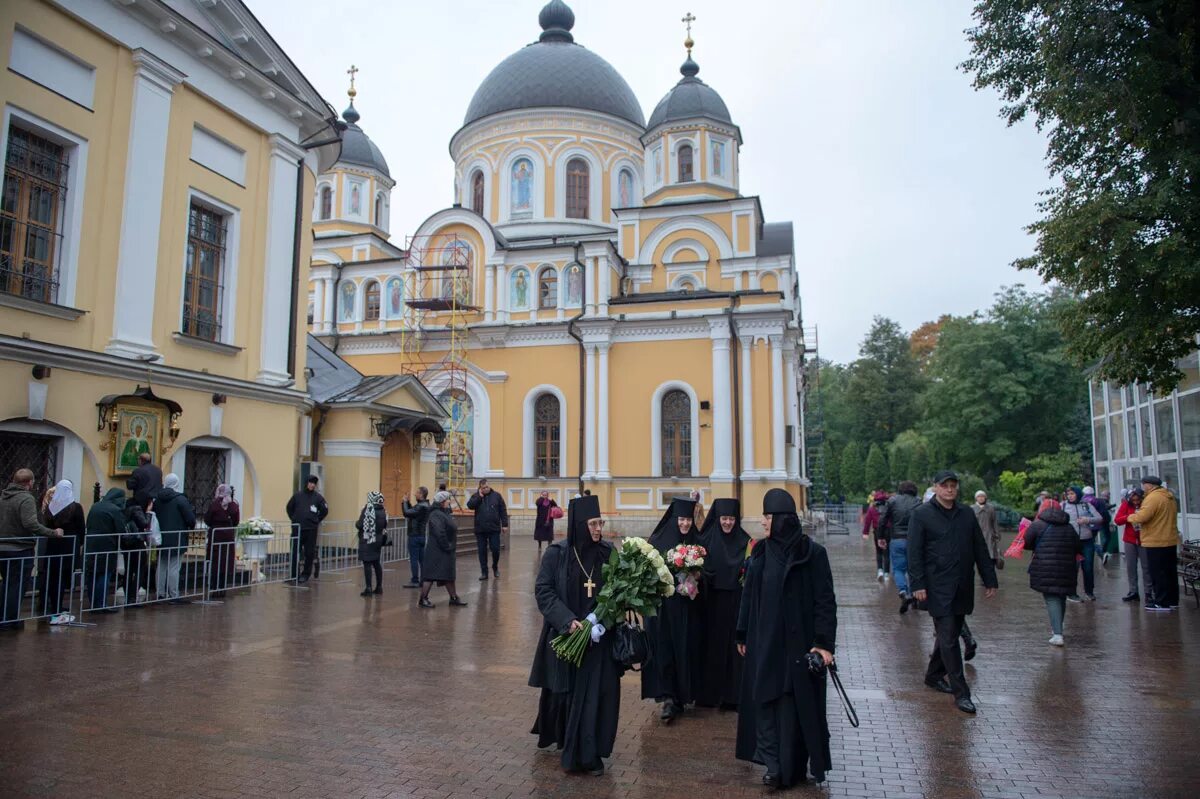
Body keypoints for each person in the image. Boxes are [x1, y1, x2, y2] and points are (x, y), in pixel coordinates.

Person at [735, 488, 837, 789]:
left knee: (793, 708)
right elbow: (748, 597)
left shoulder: (813, 554)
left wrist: (824, 643)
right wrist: (742, 632)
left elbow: (825, 602)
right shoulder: (761, 553)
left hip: (798, 646)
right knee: (765, 703)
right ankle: (773, 767)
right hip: (764, 644)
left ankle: (791, 767)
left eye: (767, 517)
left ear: (781, 520)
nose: (763, 523)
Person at [529, 494, 622, 775]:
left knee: (597, 697)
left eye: (600, 523)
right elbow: (543, 590)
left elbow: (617, 592)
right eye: (593, 523)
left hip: (598, 639)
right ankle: (573, 747)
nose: (598, 529)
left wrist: (600, 621)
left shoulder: (608, 553)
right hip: (567, 638)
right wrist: (568, 621)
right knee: (568, 695)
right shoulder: (557, 555)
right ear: (580, 525)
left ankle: (590, 753)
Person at [908, 470, 998, 714]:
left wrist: (989, 578)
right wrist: (917, 584)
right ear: (936, 487)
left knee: (952, 632)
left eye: (953, 486)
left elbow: (979, 547)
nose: (949, 489)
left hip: (962, 584)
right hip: (937, 586)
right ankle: (962, 692)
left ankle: (933, 675)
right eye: (945, 485)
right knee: (948, 638)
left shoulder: (966, 513)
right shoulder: (922, 515)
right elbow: (914, 552)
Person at [641, 496, 702, 723]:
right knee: (666, 650)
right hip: (664, 611)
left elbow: (707, 570)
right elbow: (647, 572)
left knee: (685, 650)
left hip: (688, 610)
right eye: (681, 520)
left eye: (688, 520)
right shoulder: (658, 540)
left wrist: (696, 576)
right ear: (674, 519)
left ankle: (684, 695)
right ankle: (668, 698)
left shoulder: (696, 541)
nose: (685, 524)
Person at [695, 498, 750, 709]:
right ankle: (709, 695)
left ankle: (732, 696)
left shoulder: (745, 542)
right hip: (711, 604)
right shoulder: (706, 540)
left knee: (733, 650)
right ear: (717, 519)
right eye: (724, 519)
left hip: (735, 604)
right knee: (711, 647)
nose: (728, 523)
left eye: (731, 519)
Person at [0, 469, 64, 628]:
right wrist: (52, 532)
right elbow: (30, 523)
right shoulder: (26, 498)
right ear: (29, 483)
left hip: (2, 547)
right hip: (19, 548)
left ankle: (3, 616)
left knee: (6, 584)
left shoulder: (3, 496)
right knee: (17, 585)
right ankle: (9, 619)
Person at [1023, 499, 1081, 646]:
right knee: (1061, 596)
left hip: (1045, 567)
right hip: (1067, 568)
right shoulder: (1068, 527)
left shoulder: (1037, 525)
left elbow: (1027, 543)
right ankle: (1058, 627)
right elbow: (1077, 546)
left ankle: (1057, 634)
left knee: (1051, 598)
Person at [1129, 475, 1181, 611]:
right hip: (1169, 538)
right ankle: (1172, 601)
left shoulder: (1153, 498)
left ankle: (1161, 602)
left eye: (1143, 485)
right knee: (1170, 572)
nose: (1143, 488)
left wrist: (1131, 516)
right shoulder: (1169, 496)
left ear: (1149, 485)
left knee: (1158, 573)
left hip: (1156, 540)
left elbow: (1143, 516)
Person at [40, 479, 84, 623]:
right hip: (69, 546)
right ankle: (57, 605)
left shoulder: (50, 508)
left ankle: (53, 604)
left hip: (53, 545)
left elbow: (46, 525)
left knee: (52, 576)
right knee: (63, 576)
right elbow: (81, 528)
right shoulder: (76, 507)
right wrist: (81, 543)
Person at [418, 491, 466, 608]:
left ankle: (453, 598)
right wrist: (447, 546)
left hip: (444, 550)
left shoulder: (443, 512)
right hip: (437, 550)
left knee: (448, 574)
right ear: (441, 502)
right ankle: (423, 599)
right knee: (430, 575)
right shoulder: (435, 514)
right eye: (447, 500)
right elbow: (440, 532)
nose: (449, 501)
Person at [881, 481, 922, 613]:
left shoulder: (892, 501)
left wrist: (880, 536)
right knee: (913, 569)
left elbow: (883, 519)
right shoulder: (918, 501)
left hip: (897, 539)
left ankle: (903, 592)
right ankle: (913, 594)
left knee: (898, 569)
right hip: (914, 540)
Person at [155, 474, 196, 603]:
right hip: (177, 538)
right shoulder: (180, 499)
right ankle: (173, 594)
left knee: (161, 565)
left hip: (161, 537)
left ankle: (160, 593)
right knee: (174, 566)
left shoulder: (157, 499)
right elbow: (190, 519)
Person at [84, 487, 126, 614]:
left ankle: (93, 604)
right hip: (108, 546)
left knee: (92, 574)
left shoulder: (96, 506)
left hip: (91, 544)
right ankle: (101, 604)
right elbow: (121, 530)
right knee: (104, 574)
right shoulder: (115, 510)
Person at [286, 475, 328, 584]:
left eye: (314, 483)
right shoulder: (297, 496)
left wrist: (316, 520)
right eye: (310, 482)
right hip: (298, 529)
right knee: (295, 551)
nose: (312, 485)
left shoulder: (318, 498)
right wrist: (294, 519)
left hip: (311, 530)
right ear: (306, 483)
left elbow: (324, 510)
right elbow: (289, 508)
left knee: (309, 553)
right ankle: (293, 575)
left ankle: (305, 574)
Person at [1062, 486, 1100, 602]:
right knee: (1073, 568)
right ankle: (1071, 593)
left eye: (1072, 494)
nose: (1070, 496)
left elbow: (1099, 518)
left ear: (1078, 494)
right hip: (1070, 541)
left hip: (1086, 540)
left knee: (1088, 567)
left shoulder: (1086, 505)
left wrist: (1087, 520)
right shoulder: (1063, 506)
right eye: (1068, 494)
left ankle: (1089, 591)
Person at [467, 478, 508, 580]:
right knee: (482, 551)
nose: (486, 489)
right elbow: (470, 506)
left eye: (487, 487)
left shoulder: (497, 496)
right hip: (480, 529)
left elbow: (503, 510)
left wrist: (505, 524)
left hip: (494, 529)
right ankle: (484, 572)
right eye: (483, 488)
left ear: (489, 486)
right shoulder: (476, 496)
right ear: (480, 488)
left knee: (495, 549)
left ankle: (495, 566)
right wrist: (479, 497)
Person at [204, 484, 240, 598]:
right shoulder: (233, 505)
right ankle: (222, 588)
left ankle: (214, 588)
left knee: (215, 563)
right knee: (225, 563)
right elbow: (236, 521)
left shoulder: (215, 504)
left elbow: (207, 519)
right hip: (228, 537)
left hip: (216, 537)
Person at [1114, 488, 1150, 602]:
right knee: (1131, 566)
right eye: (1133, 500)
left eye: (1137, 500)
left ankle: (1149, 592)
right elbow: (1117, 520)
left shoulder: (1147, 504)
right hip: (1130, 539)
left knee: (1146, 567)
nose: (1135, 502)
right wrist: (1130, 517)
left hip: (1145, 539)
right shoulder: (1125, 505)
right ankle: (1133, 591)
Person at [356, 491, 387, 596]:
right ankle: (379, 587)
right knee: (376, 563)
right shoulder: (382, 510)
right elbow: (384, 525)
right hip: (378, 539)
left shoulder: (368, 509)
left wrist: (357, 522)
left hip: (367, 539)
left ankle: (368, 588)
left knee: (367, 563)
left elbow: (360, 524)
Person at [402, 488, 431, 588]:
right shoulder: (425, 505)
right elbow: (412, 512)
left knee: (414, 559)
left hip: (414, 536)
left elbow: (406, 513)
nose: (414, 494)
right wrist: (408, 502)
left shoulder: (421, 506)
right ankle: (423, 579)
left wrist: (404, 502)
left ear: (421, 494)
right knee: (421, 559)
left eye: (417, 492)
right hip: (421, 536)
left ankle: (415, 580)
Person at [972, 490, 1002, 570]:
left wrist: (997, 533)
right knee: (979, 556)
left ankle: (989, 574)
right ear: (976, 498)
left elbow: (994, 522)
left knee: (990, 555)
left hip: (989, 535)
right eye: (979, 496)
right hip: (977, 536)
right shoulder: (972, 509)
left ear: (985, 497)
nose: (981, 498)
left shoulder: (990, 508)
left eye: (983, 496)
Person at [1082, 487, 1112, 565]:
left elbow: (1085, 513)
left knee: (1089, 542)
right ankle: (1102, 553)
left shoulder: (1084, 501)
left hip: (1088, 523)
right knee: (1091, 541)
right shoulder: (1098, 500)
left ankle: (1101, 552)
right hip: (1098, 523)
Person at [863, 491, 889, 581]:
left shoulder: (872, 509)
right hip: (888, 531)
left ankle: (880, 570)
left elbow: (867, 521)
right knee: (887, 553)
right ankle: (886, 574)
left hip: (877, 531)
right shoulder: (888, 508)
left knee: (879, 552)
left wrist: (865, 533)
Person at [533, 490, 558, 554]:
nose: (545, 496)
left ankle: (549, 546)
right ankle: (539, 546)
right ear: (541, 495)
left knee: (549, 533)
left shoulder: (550, 501)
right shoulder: (539, 500)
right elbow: (537, 503)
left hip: (549, 520)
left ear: (548, 495)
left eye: (546, 495)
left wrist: (552, 500)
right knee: (539, 534)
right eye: (543, 495)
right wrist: (541, 498)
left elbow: (555, 505)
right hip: (540, 520)